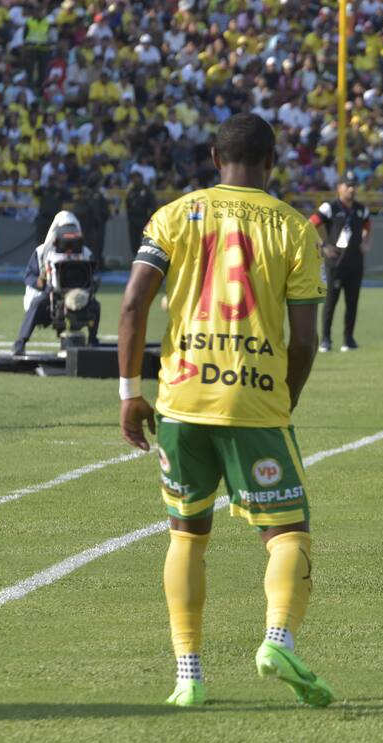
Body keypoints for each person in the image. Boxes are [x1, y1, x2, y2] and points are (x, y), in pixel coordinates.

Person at [117, 112, 330, 709]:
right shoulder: (294, 228)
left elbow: (134, 304)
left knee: (187, 533)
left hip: (181, 398)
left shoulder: (172, 215)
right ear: (273, 161)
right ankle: (277, 639)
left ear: (214, 156)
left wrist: (129, 393)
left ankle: (188, 675)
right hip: (256, 397)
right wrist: (282, 394)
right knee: (286, 531)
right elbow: (307, 337)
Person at [12, 211, 101, 355]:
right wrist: (40, 282)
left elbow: (94, 275)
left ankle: (93, 340)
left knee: (95, 307)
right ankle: (20, 343)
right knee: (37, 304)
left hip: (79, 295)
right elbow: (29, 276)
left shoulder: (86, 253)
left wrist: (93, 284)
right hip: (52, 294)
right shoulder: (42, 252)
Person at [310, 172, 370, 352]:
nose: (352, 189)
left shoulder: (361, 209)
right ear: (339, 187)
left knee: (353, 302)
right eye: (348, 185)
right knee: (330, 302)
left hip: (355, 263)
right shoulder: (330, 207)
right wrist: (323, 246)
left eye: (354, 186)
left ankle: (348, 339)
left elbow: (368, 227)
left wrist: (366, 243)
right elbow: (310, 225)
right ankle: (326, 339)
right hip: (335, 263)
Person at [74, 178, 111, 269]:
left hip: (96, 226)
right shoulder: (85, 199)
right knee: (90, 247)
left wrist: (101, 220)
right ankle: (91, 266)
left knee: (98, 246)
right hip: (88, 227)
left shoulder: (98, 197)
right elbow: (80, 213)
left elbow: (105, 211)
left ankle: (97, 264)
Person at [124, 171, 157, 257]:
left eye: (136, 178)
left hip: (143, 219)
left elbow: (153, 205)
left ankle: (144, 259)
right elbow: (127, 205)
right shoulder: (130, 191)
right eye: (133, 178)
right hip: (133, 219)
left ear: (140, 178)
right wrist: (130, 218)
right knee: (134, 241)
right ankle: (135, 258)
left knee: (145, 241)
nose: (135, 180)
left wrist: (149, 219)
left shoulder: (146, 190)